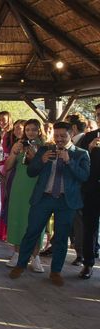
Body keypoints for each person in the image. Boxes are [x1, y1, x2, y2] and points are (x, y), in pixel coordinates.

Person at [10, 122, 90, 286]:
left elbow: (84, 177)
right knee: (31, 232)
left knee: (61, 237)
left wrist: (70, 162)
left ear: (70, 134)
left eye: (63, 136)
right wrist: (41, 161)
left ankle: (56, 271)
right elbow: (31, 172)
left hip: (65, 202)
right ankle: (21, 265)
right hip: (43, 198)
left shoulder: (81, 154)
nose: (59, 139)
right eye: (56, 136)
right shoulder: (44, 150)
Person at [5, 119, 45, 272]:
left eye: (34, 129)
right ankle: (17, 253)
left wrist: (35, 156)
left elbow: (45, 169)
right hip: (19, 187)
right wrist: (14, 153)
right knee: (18, 218)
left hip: (36, 187)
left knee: (35, 221)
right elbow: (7, 167)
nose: (30, 132)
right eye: (28, 129)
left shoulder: (45, 147)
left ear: (39, 131)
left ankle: (35, 256)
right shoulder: (18, 145)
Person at [77, 104, 100, 279]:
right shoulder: (89, 137)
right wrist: (90, 150)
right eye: (98, 115)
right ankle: (88, 264)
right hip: (91, 190)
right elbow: (79, 162)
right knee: (89, 228)